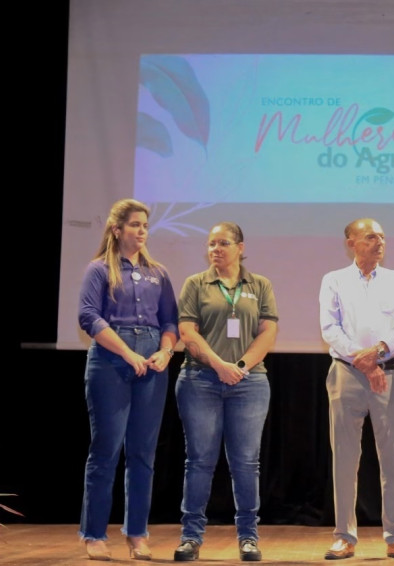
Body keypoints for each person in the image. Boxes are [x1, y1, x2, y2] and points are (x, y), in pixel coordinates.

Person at [77, 198, 179, 561]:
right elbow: (88, 316)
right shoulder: (99, 269)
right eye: (135, 225)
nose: (141, 231)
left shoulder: (159, 273)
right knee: (106, 450)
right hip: (110, 361)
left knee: (143, 454)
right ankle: (94, 534)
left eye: (145, 226)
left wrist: (165, 352)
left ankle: (136, 533)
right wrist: (126, 351)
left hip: (151, 361)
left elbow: (170, 322)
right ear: (117, 229)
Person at [172, 222, 279, 562]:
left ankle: (248, 537)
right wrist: (220, 365)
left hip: (249, 384)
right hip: (200, 380)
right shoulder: (196, 283)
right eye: (211, 244)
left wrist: (242, 366)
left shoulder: (259, 285)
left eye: (223, 243)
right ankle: (191, 537)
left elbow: (267, 332)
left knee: (246, 464)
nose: (215, 249)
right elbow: (187, 332)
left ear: (240, 248)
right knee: (199, 461)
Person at [318, 218, 394, 560]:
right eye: (371, 237)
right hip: (347, 374)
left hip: (389, 374)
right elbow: (330, 328)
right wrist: (362, 360)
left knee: (393, 457)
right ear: (351, 242)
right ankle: (344, 535)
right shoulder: (333, 280)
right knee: (345, 457)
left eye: (382, 237)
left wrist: (377, 354)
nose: (380, 242)